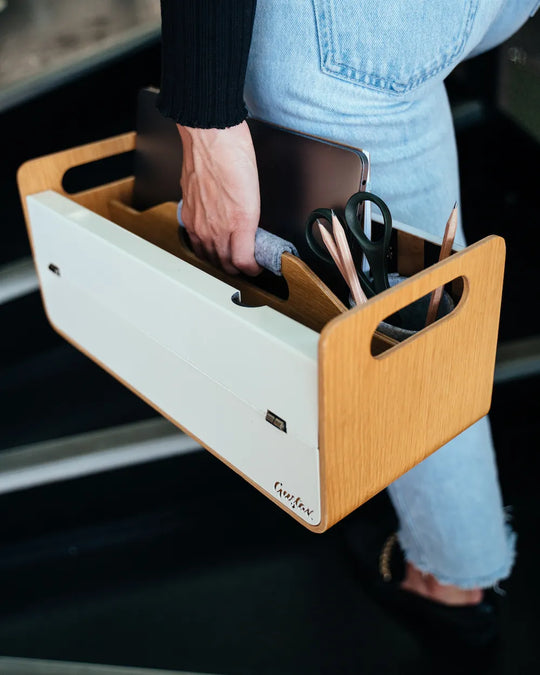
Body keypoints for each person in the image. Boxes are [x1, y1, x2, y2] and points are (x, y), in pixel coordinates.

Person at [158, 0, 538, 641]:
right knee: (411, 267)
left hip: (364, 30)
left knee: (407, 315)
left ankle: (451, 579)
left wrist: (207, 126)